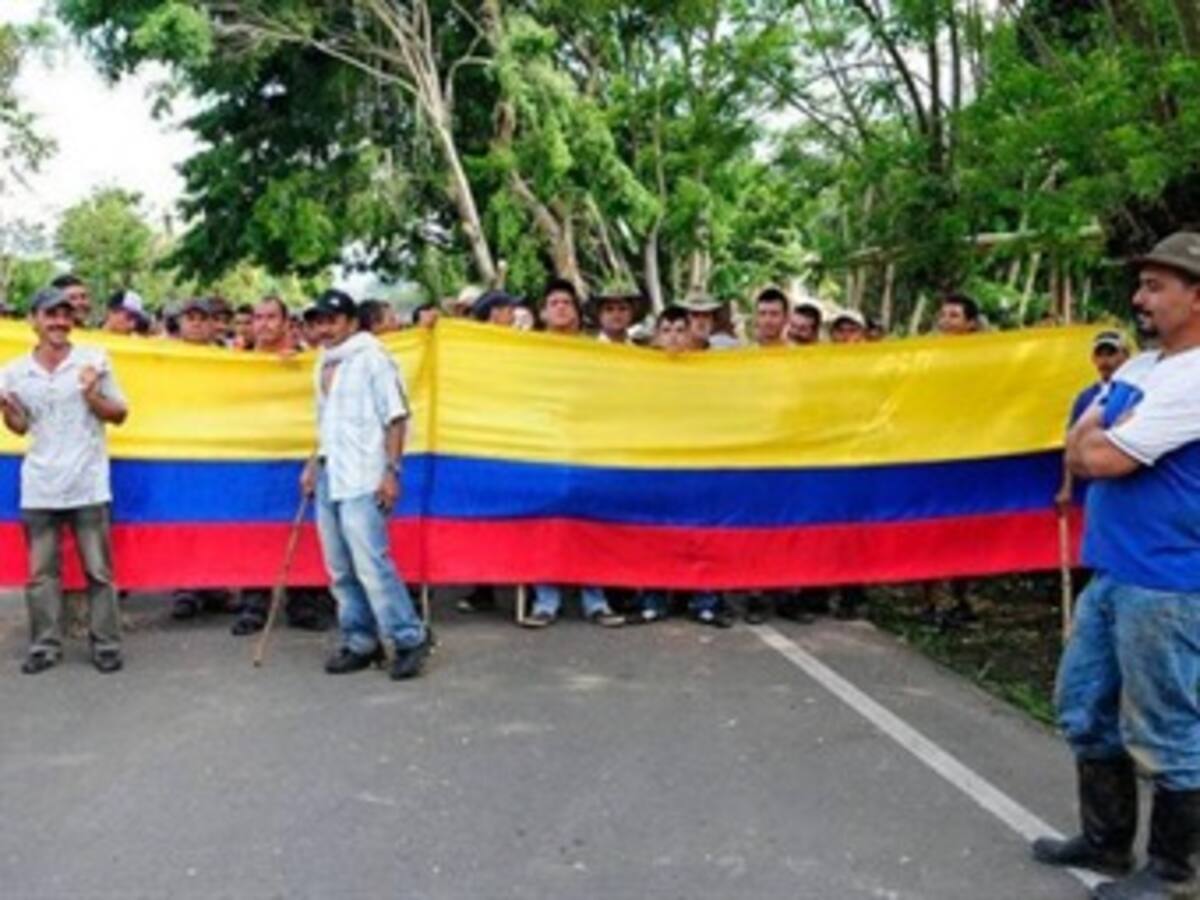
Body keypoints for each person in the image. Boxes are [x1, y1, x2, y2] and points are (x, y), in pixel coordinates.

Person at [1031, 232, 1200, 900]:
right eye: (1142, 285)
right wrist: (1091, 440)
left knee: (1166, 725)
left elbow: (1103, 459)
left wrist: (1093, 440)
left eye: (1157, 287)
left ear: (1197, 297)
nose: (1139, 298)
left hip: (1167, 579)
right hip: (1112, 569)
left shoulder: (1194, 377)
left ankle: (1171, 870)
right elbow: (1077, 446)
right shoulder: (1141, 370)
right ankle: (1105, 842)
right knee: (1081, 706)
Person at [300, 289, 431, 679]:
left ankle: (409, 637)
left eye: (332, 320)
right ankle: (361, 640)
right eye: (319, 321)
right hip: (330, 473)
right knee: (339, 568)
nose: (325, 329)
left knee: (372, 563)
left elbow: (396, 418)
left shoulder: (373, 358)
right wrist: (312, 464)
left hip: (364, 475)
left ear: (351, 322)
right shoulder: (321, 364)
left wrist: (392, 471)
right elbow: (327, 423)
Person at [1, 286, 129, 674]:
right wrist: (8, 410)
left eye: (65, 315)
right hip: (40, 485)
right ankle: (44, 646)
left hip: (88, 483)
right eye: (50, 315)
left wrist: (92, 396)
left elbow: (120, 414)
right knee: (41, 575)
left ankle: (106, 644)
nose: (59, 322)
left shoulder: (94, 360)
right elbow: (21, 427)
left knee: (99, 571)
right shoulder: (14, 372)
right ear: (34, 321)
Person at [521, 279, 624, 629]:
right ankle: (545, 600)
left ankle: (595, 599)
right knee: (545, 523)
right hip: (542, 447)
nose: (561, 307)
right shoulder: (525, 351)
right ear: (543, 312)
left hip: (587, 447)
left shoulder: (595, 352)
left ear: (577, 312)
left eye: (567, 302)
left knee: (588, 522)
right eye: (554, 302)